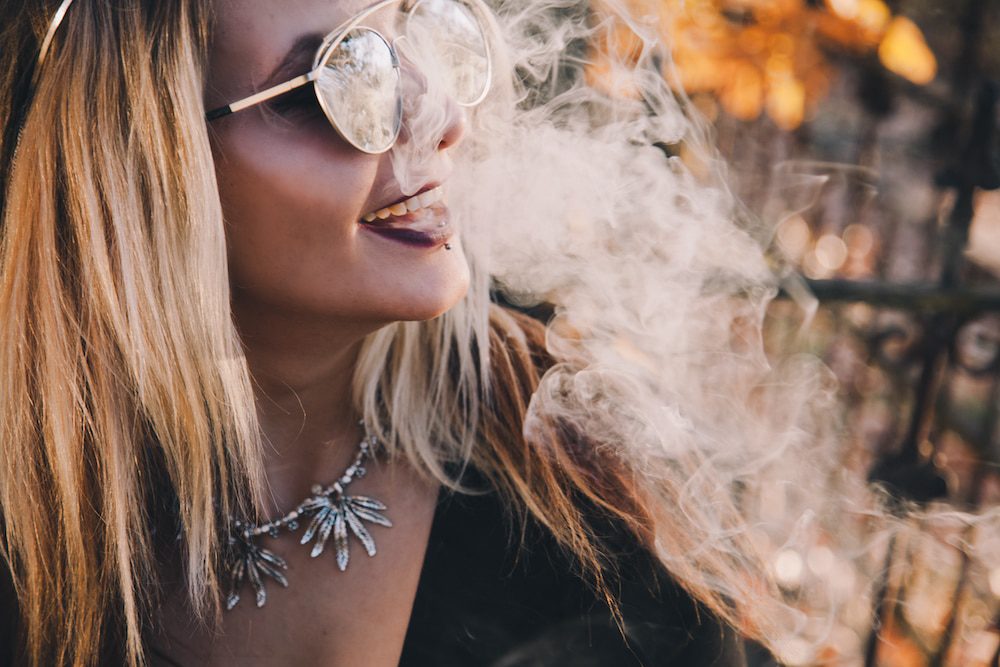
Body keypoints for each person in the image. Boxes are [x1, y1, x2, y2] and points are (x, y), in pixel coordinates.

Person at [0, 0, 778, 665]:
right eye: (340, 79)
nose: (442, 118)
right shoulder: (26, 533)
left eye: (422, 36)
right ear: (148, 169)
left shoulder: (567, 460)